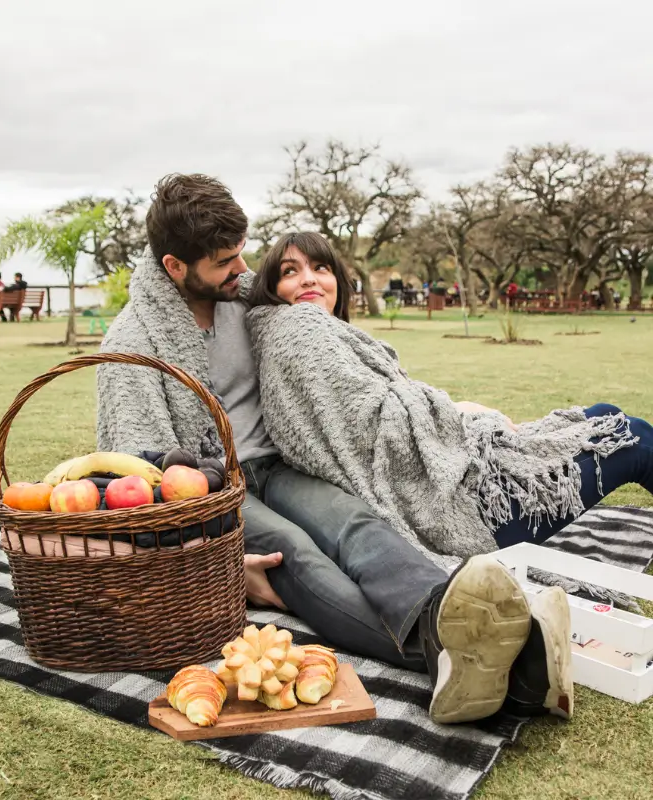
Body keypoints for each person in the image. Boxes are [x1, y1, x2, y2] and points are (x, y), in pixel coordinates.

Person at [97, 174, 572, 725]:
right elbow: (136, 475)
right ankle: (469, 652)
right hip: (212, 488)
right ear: (175, 266)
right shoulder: (132, 344)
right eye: (225, 261)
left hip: (278, 464)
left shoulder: (245, 300)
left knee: (356, 523)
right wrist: (216, 559)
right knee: (293, 551)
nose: (241, 268)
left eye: (241, 252)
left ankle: (451, 617)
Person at [247, 231, 651, 556]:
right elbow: (377, 431)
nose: (309, 279)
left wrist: (470, 421)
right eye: (290, 270)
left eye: (320, 267)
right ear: (273, 288)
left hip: (461, 478)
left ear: (337, 279)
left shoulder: (328, 337)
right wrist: (466, 411)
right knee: (633, 439)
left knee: (604, 412)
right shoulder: (301, 330)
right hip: (459, 512)